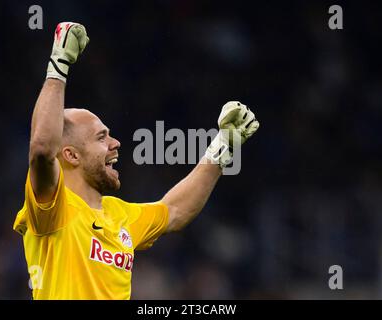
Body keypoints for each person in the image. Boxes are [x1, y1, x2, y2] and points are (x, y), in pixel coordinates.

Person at [13, 22, 259, 300]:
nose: (115, 143)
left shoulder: (120, 217)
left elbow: (175, 211)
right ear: (70, 154)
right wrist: (58, 64)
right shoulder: (52, 208)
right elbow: (43, 148)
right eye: (101, 137)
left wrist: (223, 147)